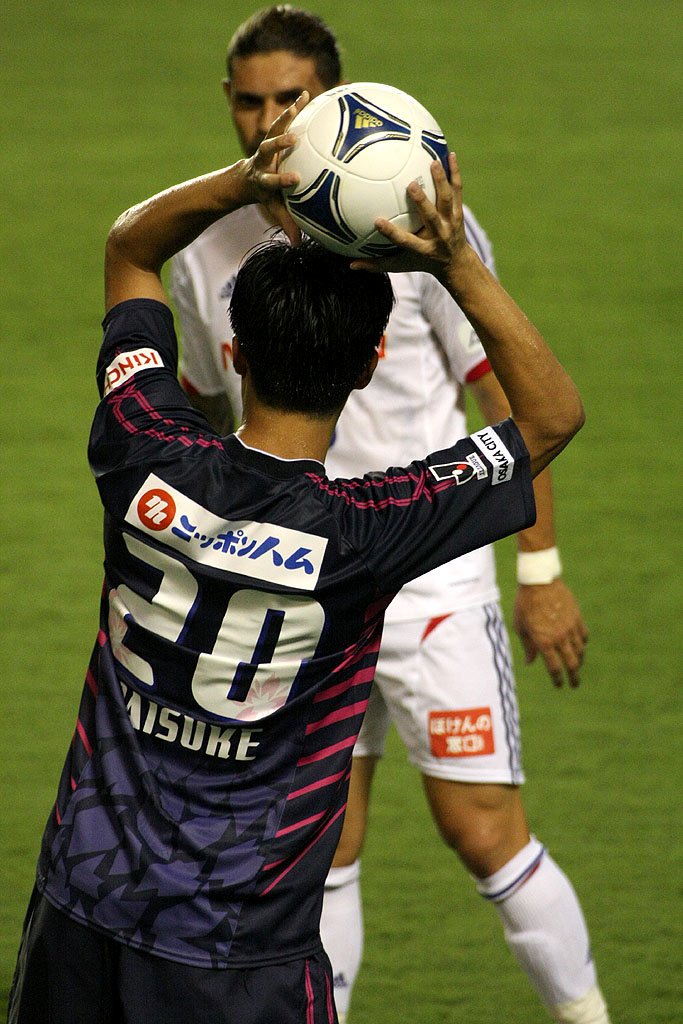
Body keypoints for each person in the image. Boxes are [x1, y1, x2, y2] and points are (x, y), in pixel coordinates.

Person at [8, 95, 583, 1023]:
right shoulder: (369, 531)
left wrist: (242, 184)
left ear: (233, 351)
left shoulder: (143, 446)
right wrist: (456, 263)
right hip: (237, 953)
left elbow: (129, 249)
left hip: (80, 907)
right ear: (370, 364)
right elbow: (550, 418)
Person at [169, 8, 610, 1024]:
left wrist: (540, 570)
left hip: (428, 567)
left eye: (289, 98)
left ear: (328, 96)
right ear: (228, 103)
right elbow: (207, 412)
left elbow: (504, 399)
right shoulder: (204, 248)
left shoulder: (410, 218)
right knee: (319, 843)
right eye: (249, 101)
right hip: (299, 581)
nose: (267, 120)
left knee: (483, 831)